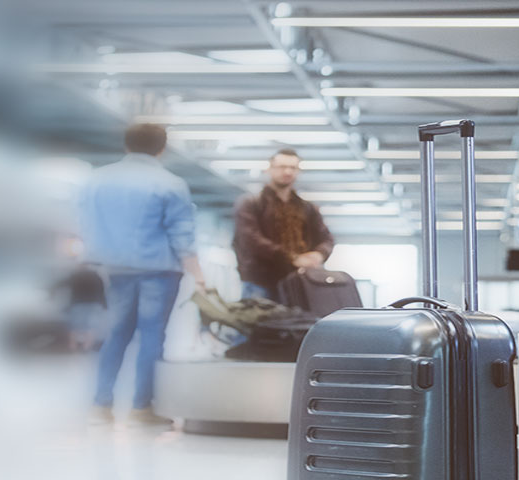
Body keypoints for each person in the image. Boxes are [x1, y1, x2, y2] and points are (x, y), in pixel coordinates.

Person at [79, 123, 207, 425]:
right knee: (152, 336)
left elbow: (85, 222)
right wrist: (198, 275)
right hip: (158, 270)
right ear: (161, 148)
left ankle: (101, 404)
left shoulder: (96, 180)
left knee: (115, 334)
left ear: (126, 146)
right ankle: (142, 408)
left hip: (113, 269)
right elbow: (182, 234)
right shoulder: (170, 184)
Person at [232, 148, 334, 301]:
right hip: (261, 282)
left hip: (300, 282)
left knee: (302, 325)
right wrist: (292, 258)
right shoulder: (251, 204)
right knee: (260, 324)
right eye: (282, 167)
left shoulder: (307, 208)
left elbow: (327, 239)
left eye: (292, 168)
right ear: (269, 169)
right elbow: (251, 240)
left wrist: (318, 255)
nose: (287, 172)